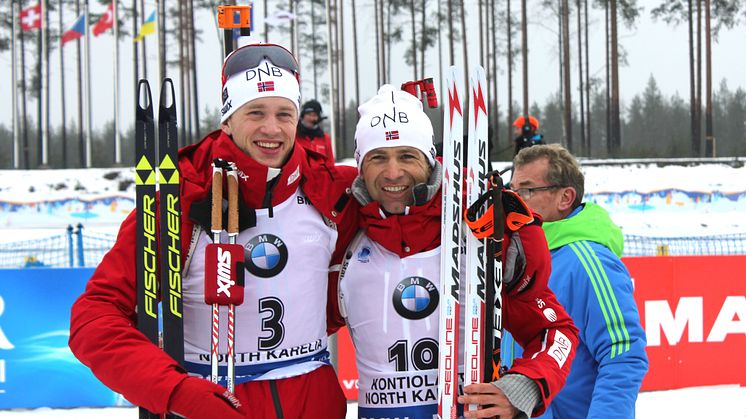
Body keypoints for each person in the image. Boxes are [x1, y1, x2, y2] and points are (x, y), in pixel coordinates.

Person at [69, 43, 359, 419]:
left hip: (313, 402)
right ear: (227, 120)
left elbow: (411, 217)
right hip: (216, 404)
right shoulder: (179, 201)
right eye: (255, 112)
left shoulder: (335, 192)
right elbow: (94, 317)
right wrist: (175, 391)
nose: (271, 128)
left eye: (284, 113)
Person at [329, 85, 579, 419]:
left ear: (429, 160)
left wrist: (523, 387)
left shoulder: (480, 235)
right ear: (360, 165)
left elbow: (556, 333)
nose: (393, 173)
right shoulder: (342, 238)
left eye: (407, 156)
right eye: (378, 157)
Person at [508, 143, 649, 418]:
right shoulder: (512, 255)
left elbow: (623, 355)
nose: (514, 200)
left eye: (526, 190)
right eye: (512, 190)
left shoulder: (589, 261)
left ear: (565, 197)